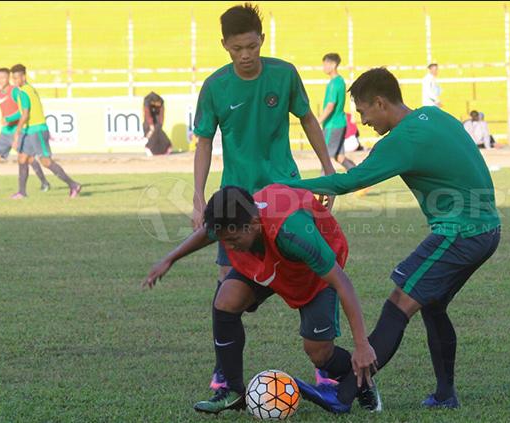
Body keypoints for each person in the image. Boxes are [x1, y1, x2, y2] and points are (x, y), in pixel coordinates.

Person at [280, 68, 501, 413]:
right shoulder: (434, 116)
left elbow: (346, 182)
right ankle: (445, 395)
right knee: (433, 305)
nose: (364, 120)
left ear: (381, 103)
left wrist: (286, 189)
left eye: (364, 112)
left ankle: (344, 395)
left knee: (398, 302)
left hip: (460, 232)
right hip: (485, 228)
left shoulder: (401, 140)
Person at [190, 3, 336, 399]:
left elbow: (307, 119)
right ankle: (225, 377)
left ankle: (326, 370)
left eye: (252, 45)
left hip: (287, 197)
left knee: (310, 274)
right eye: (237, 48)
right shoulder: (215, 86)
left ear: (262, 41)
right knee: (227, 289)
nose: (246, 54)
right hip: (236, 204)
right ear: (224, 45)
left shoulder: (284, 73)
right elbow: (204, 141)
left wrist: (327, 170)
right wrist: (198, 195)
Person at [143, 185, 377, 414]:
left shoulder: (293, 232)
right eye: (224, 240)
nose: (228, 246)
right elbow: (209, 232)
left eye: (233, 240)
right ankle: (233, 391)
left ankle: (362, 381)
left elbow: (342, 282)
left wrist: (362, 345)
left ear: (254, 225)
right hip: (269, 261)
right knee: (225, 300)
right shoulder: (235, 219)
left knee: (319, 353)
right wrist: (170, 258)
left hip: (311, 276)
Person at [10, 64, 81, 199]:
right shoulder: (26, 90)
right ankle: (22, 192)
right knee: (22, 158)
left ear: (23, 77)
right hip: (30, 130)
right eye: (13, 78)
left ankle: (73, 185)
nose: (14, 81)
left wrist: (16, 132)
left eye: (17, 78)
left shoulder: (25, 92)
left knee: (46, 162)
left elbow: (25, 115)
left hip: (37, 130)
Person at [0, 67, 49, 192]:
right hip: (6, 131)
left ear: (8, 78)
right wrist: (6, 120)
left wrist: (9, 119)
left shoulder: (15, 91)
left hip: (17, 131)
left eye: (3, 77)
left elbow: (21, 113)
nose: (0, 80)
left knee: (28, 158)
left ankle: (44, 182)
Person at [317, 53, 356, 171]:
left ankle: (323, 188)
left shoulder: (334, 83)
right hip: (340, 123)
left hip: (332, 125)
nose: (324, 67)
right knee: (339, 157)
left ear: (333, 65)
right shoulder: (340, 81)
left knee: (325, 159)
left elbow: (330, 106)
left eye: (326, 64)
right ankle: (361, 179)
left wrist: (317, 121)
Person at [143, 91, 172, 156]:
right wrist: (151, 125)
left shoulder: (161, 101)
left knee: (159, 134)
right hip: (148, 122)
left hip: (157, 121)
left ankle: (164, 150)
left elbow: (161, 114)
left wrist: (160, 124)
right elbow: (147, 114)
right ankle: (149, 149)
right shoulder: (147, 101)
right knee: (150, 134)